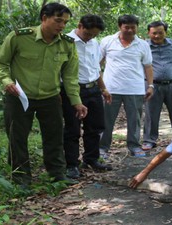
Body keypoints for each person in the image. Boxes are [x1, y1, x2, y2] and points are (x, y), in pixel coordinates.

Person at [0, 2, 88, 186]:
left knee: (54, 137)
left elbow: (70, 77)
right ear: (44, 18)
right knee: (17, 138)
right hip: (19, 97)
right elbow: (2, 63)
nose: (62, 26)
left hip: (50, 98)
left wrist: (76, 102)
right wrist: (6, 81)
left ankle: (57, 175)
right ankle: (21, 179)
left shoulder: (67, 44)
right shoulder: (19, 38)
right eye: (58, 20)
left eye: (65, 22)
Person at [61, 14, 112, 179]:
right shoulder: (64, 41)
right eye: (88, 33)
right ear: (80, 25)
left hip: (93, 90)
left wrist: (103, 88)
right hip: (73, 90)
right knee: (72, 129)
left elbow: (96, 67)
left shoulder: (94, 43)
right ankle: (72, 165)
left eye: (94, 35)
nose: (90, 37)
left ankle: (91, 159)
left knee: (95, 127)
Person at [99, 14, 154, 157]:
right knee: (106, 119)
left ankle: (134, 146)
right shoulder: (107, 41)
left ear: (137, 27)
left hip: (134, 88)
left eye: (133, 27)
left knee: (134, 120)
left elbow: (148, 66)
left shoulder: (143, 45)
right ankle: (102, 148)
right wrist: (100, 85)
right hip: (111, 88)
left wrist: (151, 86)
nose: (129, 30)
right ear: (120, 27)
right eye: (126, 27)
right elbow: (98, 63)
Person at [142, 21, 172, 151]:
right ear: (148, 33)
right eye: (154, 33)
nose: (157, 36)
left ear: (165, 32)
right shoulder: (144, 46)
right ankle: (149, 140)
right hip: (152, 85)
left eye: (160, 32)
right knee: (151, 114)